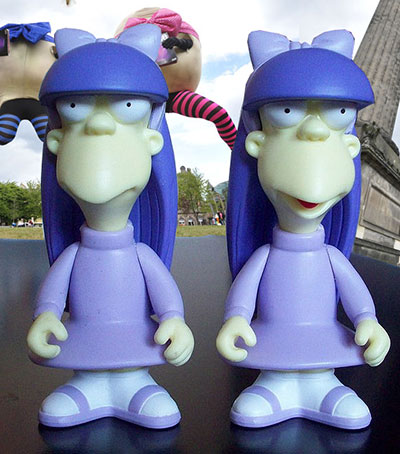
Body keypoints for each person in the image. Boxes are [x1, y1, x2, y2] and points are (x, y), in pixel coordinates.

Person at [216, 30, 390, 430]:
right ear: (256, 144)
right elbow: (243, 296)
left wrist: (367, 321)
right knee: (260, 400)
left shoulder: (330, 257)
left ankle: (325, 389)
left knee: (334, 393)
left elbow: (357, 299)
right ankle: (273, 386)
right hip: (273, 343)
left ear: (350, 149)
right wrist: (236, 318)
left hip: (323, 345)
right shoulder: (265, 255)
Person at [27, 24, 194, 429]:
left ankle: (137, 386)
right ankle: (86, 387)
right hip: (84, 344)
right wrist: (46, 316)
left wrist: (174, 320)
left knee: (150, 401)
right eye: (76, 108)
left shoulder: (141, 255)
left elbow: (166, 298)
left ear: (152, 143)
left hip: (136, 345)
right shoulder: (73, 254)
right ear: (56, 144)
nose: (99, 127)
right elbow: (52, 298)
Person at [115, 8, 237, 150]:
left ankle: (240, 153)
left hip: (175, 96)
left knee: (217, 113)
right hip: (140, 96)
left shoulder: (177, 35)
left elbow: (188, 43)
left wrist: (178, 42)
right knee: (145, 134)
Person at [0, 22, 55, 144]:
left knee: (49, 133)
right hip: (10, 100)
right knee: (49, 133)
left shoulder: (2, 40)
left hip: (37, 100)